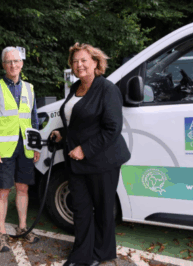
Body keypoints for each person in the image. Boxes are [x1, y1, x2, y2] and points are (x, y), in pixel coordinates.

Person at [51, 43, 131, 266]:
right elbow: (79, 124)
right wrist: (62, 134)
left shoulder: (107, 89)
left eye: (84, 60)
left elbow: (112, 128)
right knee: (81, 209)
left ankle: (102, 253)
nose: (79, 65)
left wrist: (85, 149)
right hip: (76, 162)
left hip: (102, 161)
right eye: (75, 61)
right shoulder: (75, 87)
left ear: (95, 62)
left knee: (104, 209)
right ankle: (82, 254)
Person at [0, 47, 41, 252]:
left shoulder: (30, 88)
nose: (13, 65)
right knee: (3, 191)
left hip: (25, 148)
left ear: (22, 63)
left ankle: (23, 228)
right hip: (3, 149)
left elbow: (33, 120)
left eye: (16, 61)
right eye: (8, 62)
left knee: (23, 188)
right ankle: (1, 232)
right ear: (3, 65)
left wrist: (36, 145)